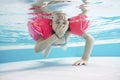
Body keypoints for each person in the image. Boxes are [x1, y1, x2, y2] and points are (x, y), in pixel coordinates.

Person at [28, 0, 94, 66]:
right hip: (50, 41)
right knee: (48, 46)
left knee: (59, 45)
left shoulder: (70, 28)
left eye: (64, 22)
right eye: (58, 22)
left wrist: (84, 59)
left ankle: (48, 52)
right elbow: (37, 49)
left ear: (68, 23)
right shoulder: (46, 32)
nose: (61, 24)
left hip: (61, 41)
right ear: (51, 22)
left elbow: (90, 39)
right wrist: (57, 35)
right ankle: (46, 54)